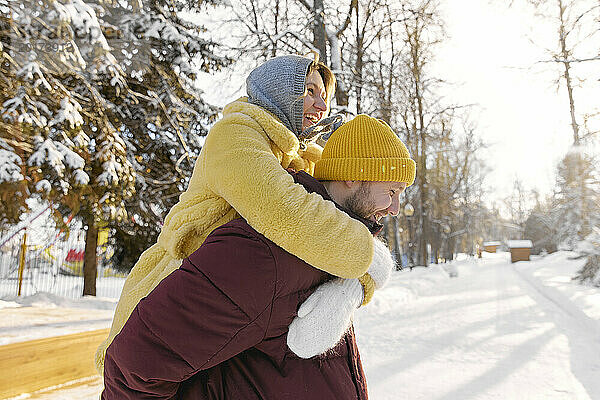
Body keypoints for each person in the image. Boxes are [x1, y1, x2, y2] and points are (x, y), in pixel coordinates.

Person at [95, 54, 397, 373]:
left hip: (234, 315)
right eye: (309, 90)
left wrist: (352, 287)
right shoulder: (235, 134)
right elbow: (285, 209)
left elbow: (347, 207)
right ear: (279, 88)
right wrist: (366, 256)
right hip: (174, 294)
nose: (321, 106)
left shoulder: (297, 156)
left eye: (325, 97)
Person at [102, 114, 417, 399]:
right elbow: (134, 363)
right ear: (353, 177)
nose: (395, 209)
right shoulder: (267, 252)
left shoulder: (329, 247)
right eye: (391, 192)